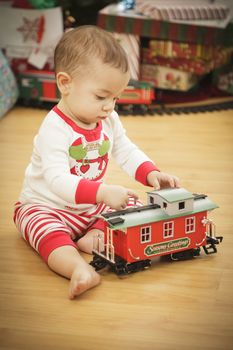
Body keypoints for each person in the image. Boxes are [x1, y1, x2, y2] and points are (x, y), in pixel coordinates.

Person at [14, 25, 180, 300]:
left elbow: (125, 150)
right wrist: (103, 192)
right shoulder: (54, 129)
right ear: (65, 83)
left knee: (133, 205)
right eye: (101, 96)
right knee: (47, 232)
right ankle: (78, 268)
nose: (109, 107)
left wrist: (151, 173)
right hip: (47, 205)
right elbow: (57, 181)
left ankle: (94, 236)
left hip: (90, 206)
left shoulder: (107, 119)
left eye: (115, 97)